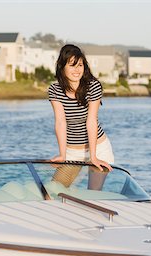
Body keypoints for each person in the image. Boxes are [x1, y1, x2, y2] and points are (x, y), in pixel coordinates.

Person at [48, 44, 114, 189]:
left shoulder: (93, 86)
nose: (77, 70)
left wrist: (93, 156)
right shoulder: (55, 90)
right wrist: (62, 154)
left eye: (80, 65)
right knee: (51, 193)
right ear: (62, 67)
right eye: (72, 65)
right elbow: (60, 122)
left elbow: (91, 121)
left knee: (93, 196)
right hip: (71, 152)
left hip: (98, 148)